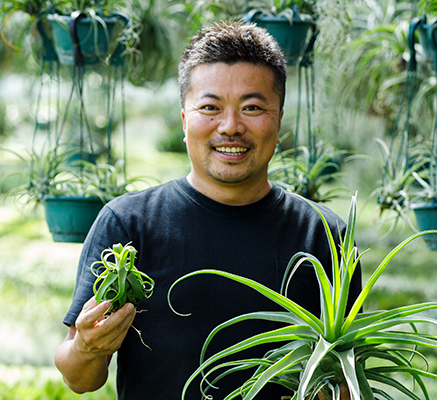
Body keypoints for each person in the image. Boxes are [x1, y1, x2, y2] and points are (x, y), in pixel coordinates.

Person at [54, 21, 362, 399]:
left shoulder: (324, 235)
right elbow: (80, 379)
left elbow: (346, 376)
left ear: (278, 120)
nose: (230, 126)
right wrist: (87, 348)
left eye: (252, 107)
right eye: (210, 107)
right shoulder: (129, 225)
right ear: (185, 121)